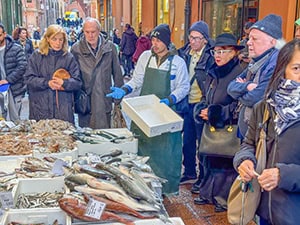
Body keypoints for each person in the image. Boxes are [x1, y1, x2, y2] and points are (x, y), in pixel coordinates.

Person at [107, 24, 190, 195]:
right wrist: (124, 89)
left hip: (166, 114)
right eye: (153, 39)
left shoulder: (177, 62)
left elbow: (184, 87)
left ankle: (166, 189)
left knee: (166, 153)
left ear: (167, 42)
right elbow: (137, 81)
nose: (155, 44)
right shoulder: (146, 57)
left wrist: (170, 99)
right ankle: (142, 187)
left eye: (159, 40)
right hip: (145, 113)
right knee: (144, 149)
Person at [233, 38, 300, 225]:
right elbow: (248, 144)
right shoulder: (263, 108)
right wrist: (245, 160)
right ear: (282, 70)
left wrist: (283, 175)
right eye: (297, 68)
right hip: (265, 211)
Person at [192, 33, 246, 212]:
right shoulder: (212, 72)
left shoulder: (240, 73)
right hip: (211, 128)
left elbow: (240, 105)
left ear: (234, 53)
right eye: (216, 51)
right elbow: (206, 97)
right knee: (208, 158)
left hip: (228, 128)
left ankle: (222, 199)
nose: (218, 55)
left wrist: (217, 113)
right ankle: (208, 193)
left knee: (224, 163)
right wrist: (202, 109)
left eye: (223, 51)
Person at [227, 14, 285, 140]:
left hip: (263, 137)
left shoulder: (276, 65)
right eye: (249, 38)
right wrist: (248, 86)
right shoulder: (255, 62)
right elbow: (230, 87)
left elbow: (256, 98)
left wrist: (241, 91)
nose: (248, 43)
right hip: (251, 132)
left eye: (255, 39)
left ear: (273, 42)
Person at [177, 21, 215, 189]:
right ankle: (190, 171)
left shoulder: (210, 56)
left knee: (202, 142)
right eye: (191, 37)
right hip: (187, 102)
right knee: (188, 141)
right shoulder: (184, 52)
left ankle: (203, 176)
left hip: (201, 104)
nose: (192, 41)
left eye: (196, 38)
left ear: (205, 40)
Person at [71, 17, 123, 129]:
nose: (90, 35)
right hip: (86, 100)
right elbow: (73, 76)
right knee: (88, 137)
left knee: (105, 135)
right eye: (87, 32)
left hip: (105, 98)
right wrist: (75, 97)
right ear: (83, 32)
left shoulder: (110, 48)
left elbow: (117, 73)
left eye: (93, 32)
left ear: (99, 31)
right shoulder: (76, 49)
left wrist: (118, 99)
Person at [24, 24, 82, 124]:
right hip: (40, 108)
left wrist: (64, 82)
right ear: (47, 39)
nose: (58, 43)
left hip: (63, 110)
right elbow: (28, 79)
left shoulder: (68, 58)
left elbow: (77, 82)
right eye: (54, 39)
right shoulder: (37, 56)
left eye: (60, 40)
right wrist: (47, 83)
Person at [0, 23, 27, 120]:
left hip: (15, 89)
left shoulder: (16, 48)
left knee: (15, 121)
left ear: (4, 34)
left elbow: (22, 66)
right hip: (1, 91)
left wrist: (8, 80)